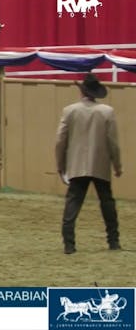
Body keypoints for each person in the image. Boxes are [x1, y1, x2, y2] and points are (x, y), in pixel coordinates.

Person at [55, 73, 122, 254]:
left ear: (82, 91)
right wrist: (117, 165)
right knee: (107, 202)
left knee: (73, 203)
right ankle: (113, 241)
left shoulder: (69, 110)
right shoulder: (107, 111)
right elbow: (113, 142)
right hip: (99, 164)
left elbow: (60, 140)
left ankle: (69, 244)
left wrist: (60, 164)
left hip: (77, 164)